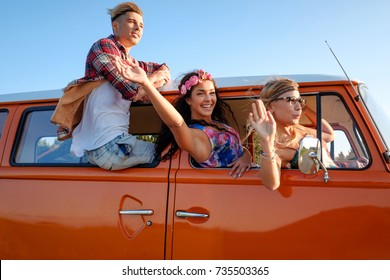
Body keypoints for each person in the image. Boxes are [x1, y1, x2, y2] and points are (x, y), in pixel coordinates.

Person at [59, 2, 170, 170]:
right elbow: (131, 91)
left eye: (141, 25)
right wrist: (153, 80)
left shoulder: (131, 63)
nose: (138, 28)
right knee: (171, 154)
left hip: (106, 147)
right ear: (115, 26)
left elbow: (163, 67)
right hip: (109, 145)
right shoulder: (103, 47)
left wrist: (154, 79)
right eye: (132, 22)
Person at [113, 58, 252, 178]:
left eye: (211, 93)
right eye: (200, 94)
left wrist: (247, 156)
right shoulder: (195, 134)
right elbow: (176, 123)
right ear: (188, 100)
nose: (208, 99)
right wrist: (146, 84)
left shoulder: (219, 125)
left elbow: (237, 149)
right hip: (224, 191)